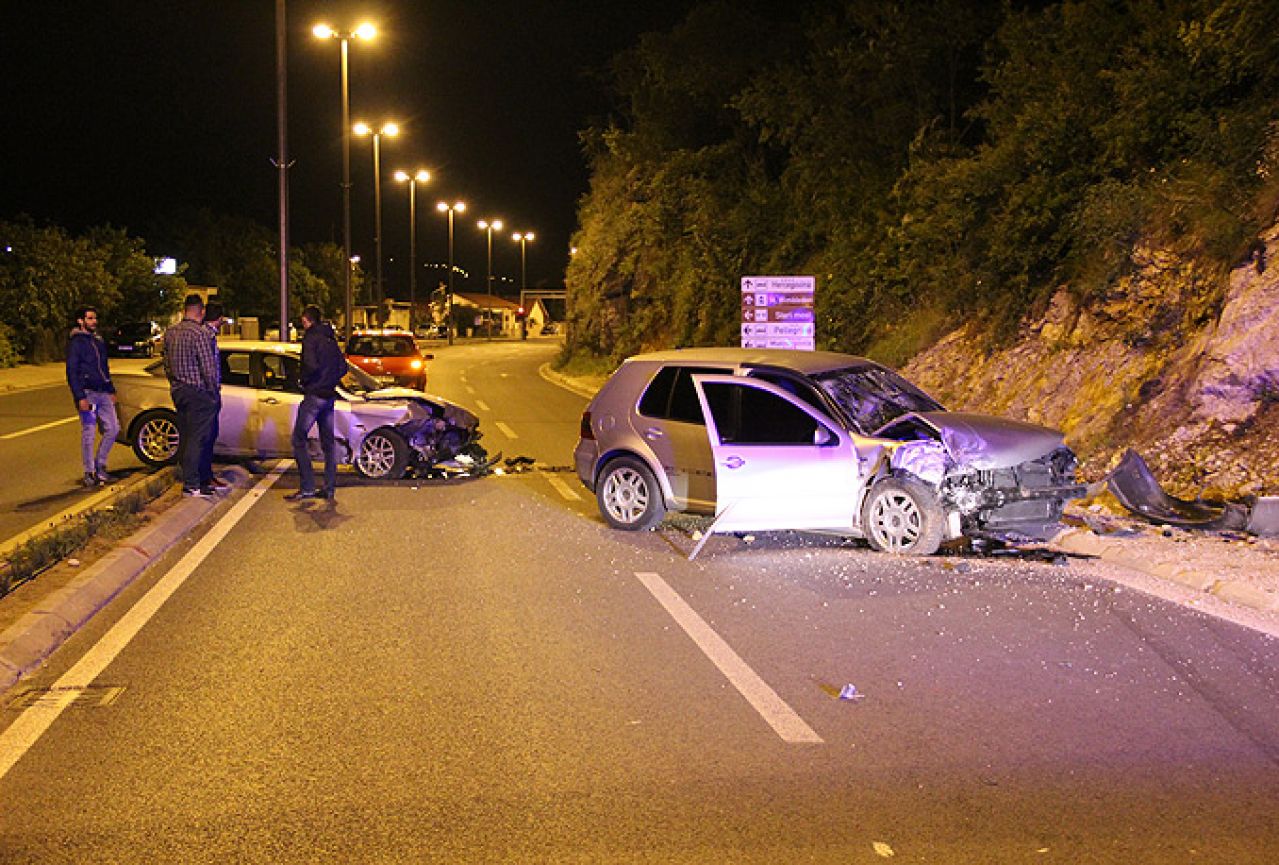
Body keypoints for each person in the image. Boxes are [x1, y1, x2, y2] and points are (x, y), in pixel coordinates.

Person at [286, 305, 346, 501]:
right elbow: (343, 367)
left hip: (314, 395)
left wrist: (304, 381)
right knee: (328, 443)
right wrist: (330, 381)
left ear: (306, 320)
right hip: (329, 396)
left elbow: (310, 365)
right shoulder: (330, 339)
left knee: (298, 439)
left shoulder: (311, 339)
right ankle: (328, 487)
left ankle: (307, 487)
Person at [163, 294, 220, 497]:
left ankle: (191, 479)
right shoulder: (199, 334)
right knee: (198, 439)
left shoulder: (171, 333)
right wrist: (213, 392)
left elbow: (167, 364)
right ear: (201, 311)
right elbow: (208, 369)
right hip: (198, 393)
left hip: (179, 391)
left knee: (186, 436)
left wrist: (175, 383)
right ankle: (193, 483)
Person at [66, 306, 120, 488]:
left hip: (103, 392)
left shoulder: (97, 341)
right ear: (80, 321)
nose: (94, 322)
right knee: (88, 432)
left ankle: (100, 465)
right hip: (87, 393)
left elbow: (104, 368)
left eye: (94, 318)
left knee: (113, 428)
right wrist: (79, 396)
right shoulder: (76, 343)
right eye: (89, 318)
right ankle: (89, 472)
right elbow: (72, 371)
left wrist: (111, 389)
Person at [199, 301, 229, 492]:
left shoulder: (205, 334)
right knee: (207, 437)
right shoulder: (207, 336)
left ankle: (206, 476)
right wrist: (213, 390)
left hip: (205, 392)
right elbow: (209, 368)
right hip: (208, 393)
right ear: (218, 320)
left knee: (207, 437)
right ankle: (205, 478)